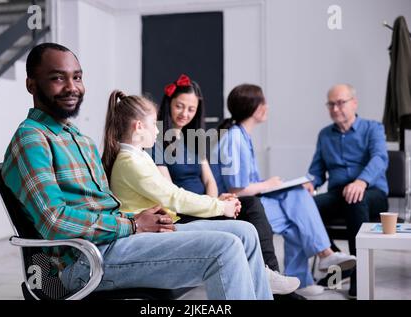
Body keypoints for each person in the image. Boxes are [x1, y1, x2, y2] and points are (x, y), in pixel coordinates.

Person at [1, 42, 272, 300]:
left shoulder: (78, 138)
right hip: (86, 261)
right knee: (225, 248)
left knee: (244, 232)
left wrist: (141, 220)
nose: (72, 87)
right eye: (58, 78)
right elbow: (54, 222)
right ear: (31, 84)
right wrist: (132, 224)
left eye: (78, 77)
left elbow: (103, 207)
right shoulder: (31, 139)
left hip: (117, 241)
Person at [101, 88, 299, 296]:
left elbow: (177, 193)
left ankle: (263, 282)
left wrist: (217, 202)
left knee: (247, 231)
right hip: (148, 235)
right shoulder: (130, 162)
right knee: (231, 241)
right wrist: (220, 206)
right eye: (153, 125)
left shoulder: (140, 157)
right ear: (139, 127)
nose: (158, 130)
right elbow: (174, 197)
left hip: (163, 226)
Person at [151, 74, 303, 299]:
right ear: (169, 105)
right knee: (249, 211)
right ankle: (274, 283)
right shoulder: (157, 140)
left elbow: (209, 180)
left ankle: (270, 275)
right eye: (179, 106)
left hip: (206, 206)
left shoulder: (194, 138)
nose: (185, 113)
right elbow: (170, 192)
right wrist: (210, 206)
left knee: (250, 203)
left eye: (191, 109)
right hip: (185, 211)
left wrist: (215, 202)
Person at [211, 83, 357, 296]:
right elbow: (237, 190)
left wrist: (269, 185)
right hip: (236, 208)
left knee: (295, 213)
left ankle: (302, 280)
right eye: (264, 103)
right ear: (256, 108)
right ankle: (325, 255)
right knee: (296, 208)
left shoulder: (241, 136)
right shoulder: (234, 139)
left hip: (249, 203)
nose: (267, 107)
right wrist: (269, 184)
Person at [303, 84, 389, 299]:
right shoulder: (325, 135)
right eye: (331, 104)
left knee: (355, 200)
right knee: (305, 206)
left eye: (340, 102)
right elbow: (317, 170)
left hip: (372, 192)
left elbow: (380, 159)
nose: (335, 108)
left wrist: (361, 181)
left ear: (354, 103)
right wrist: (309, 183)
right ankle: (342, 262)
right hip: (338, 193)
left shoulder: (373, 128)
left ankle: (359, 277)